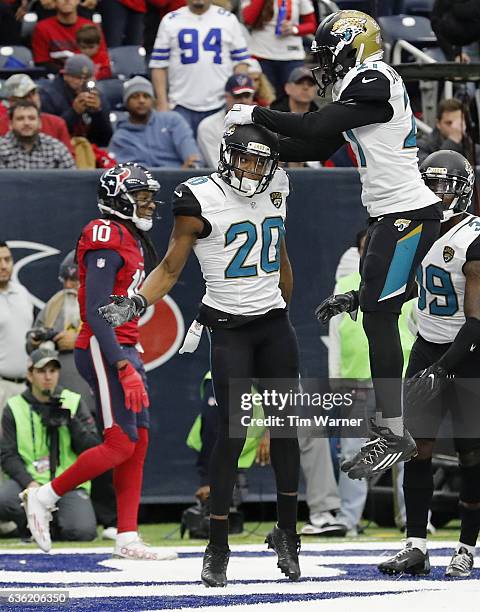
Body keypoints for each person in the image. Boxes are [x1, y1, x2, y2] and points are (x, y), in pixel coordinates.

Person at [225, 9, 443, 479]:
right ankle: (393, 425)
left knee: (380, 317)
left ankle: (392, 428)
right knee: (375, 309)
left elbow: (314, 128)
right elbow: (317, 149)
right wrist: (258, 147)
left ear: (351, 46)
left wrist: (255, 113)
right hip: (397, 214)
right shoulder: (361, 87)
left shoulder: (375, 77)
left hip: (405, 212)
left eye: (327, 54)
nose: (323, 64)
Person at [99, 125, 302, 587]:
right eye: (246, 159)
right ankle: (217, 545)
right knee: (230, 437)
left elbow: (282, 260)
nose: (255, 169)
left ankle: (288, 534)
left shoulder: (277, 187)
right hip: (231, 330)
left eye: (261, 161)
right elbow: (171, 267)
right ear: (227, 156)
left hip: (273, 324)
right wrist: (136, 302)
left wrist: (281, 312)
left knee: (288, 430)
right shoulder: (198, 198)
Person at [19, 163, 176, 561]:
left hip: (125, 345)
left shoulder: (129, 236)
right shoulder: (104, 233)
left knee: (138, 442)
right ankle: (45, 496)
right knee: (120, 442)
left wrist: (129, 356)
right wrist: (122, 365)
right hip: (105, 348)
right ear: (118, 199)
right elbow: (95, 309)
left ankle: (127, 535)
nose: (149, 204)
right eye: (140, 197)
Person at [379, 150, 480, 578]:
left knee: (472, 453)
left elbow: (476, 322)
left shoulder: (473, 238)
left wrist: (443, 369)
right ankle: (416, 544)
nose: (437, 194)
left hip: (468, 353)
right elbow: (401, 288)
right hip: (427, 344)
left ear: (464, 191)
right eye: (431, 185)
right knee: (414, 448)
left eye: (445, 186)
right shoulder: (417, 230)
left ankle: (465, 547)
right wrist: (355, 298)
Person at [0, 348, 99, 542]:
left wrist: (71, 420)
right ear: (30, 374)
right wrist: (30, 483)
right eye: (41, 371)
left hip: (67, 483)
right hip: (32, 482)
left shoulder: (73, 400)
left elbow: (92, 448)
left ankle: (49, 526)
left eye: (53, 371)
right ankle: (32, 523)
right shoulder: (14, 406)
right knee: (4, 501)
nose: (48, 377)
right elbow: (7, 454)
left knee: (82, 532)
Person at [149, 0, 250, 136]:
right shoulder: (170, 20)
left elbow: (241, 63)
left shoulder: (228, 19)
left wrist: (235, 100)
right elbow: (158, 65)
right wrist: (162, 103)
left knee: (219, 154)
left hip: (220, 103)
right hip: (180, 103)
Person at [108, 76, 200, 168]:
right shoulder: (121, 137)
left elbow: (192, 156)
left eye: (146, 96)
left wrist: (191, 165)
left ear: (153, 100)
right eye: (135, 97)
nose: (141, 100)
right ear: (126, 103)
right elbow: (128, 173)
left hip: (182, 178)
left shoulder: (173, 120)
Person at [241, 0, 317, 96]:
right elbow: (248, 19)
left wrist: (294, 29)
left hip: (291, 56)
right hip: (261, 54)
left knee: (293, 99)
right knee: (266, 100)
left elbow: (311, 24)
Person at [39, 54, 112, 148]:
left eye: (88, 78)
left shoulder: (97, 95)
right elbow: (50, 135)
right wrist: (74, 113)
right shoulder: (48, 96)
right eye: (78, 78)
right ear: (65, 76)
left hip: (91, 150)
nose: (83, 83)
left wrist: (98, 113)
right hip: (60, 149)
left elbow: (105, 139)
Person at [0, 74, 74, 156]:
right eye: (25, 96)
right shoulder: (1, 125)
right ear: (11, 101)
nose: (32, 99)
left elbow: (69, 158)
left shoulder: (57, 123)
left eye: (34, 93)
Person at [32, 0, 110, 74]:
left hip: (90, 75)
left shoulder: (91, 27)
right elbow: (41, 62)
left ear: (78, 1)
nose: (67, 0)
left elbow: (102, 57)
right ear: (55, 1)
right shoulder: (42, 28)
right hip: (57, 77)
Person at [197, 74, 255, 168]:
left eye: (247, 95)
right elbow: (218, 166)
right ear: (226, 96)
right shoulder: (208, 126)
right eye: (238, 96)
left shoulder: (261, 124)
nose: (243, 100)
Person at [0, 101, 75, 170]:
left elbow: (71, 180)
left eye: (31, 118)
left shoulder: (56, 148)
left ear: (40, 123)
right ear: (10, 124)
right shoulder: (1, 148)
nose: (26, 123)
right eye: (20, 119)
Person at [417, 98, 478, 165]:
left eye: (458, 123)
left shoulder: (472, 146)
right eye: (449, 123)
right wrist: (452, 141)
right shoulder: (422, 146)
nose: (454, 127)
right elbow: (430, 169)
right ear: (438, 124)